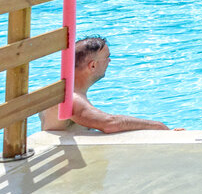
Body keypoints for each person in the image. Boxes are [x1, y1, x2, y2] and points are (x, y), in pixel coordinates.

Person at [39, 37, 169, 133]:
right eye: (107, 57)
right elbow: (109, 123)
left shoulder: (67, 91)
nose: (109, 61)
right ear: (93, 65)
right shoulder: (70, 97)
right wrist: (158, 126)